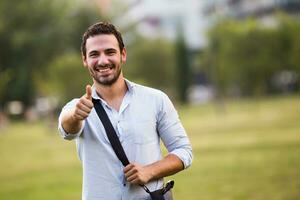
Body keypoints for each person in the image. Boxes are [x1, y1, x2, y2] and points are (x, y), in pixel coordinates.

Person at [58, 21, 193, 200]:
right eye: (94, 54)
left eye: (110, 52)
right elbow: (67, 129)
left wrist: (150, 171)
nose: (103, 60)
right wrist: (76, 115)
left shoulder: (155, 99)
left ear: (123, 54)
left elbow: (183, 151)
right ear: (85, 60)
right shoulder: (78, 106)